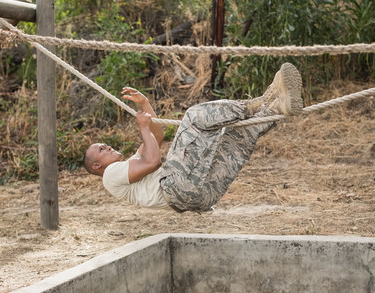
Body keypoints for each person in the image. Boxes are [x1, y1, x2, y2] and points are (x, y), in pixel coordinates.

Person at [83, 62, 303, 213]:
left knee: (233, 141)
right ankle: (260, 102)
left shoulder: (127, 167)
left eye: (104, 145)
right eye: (101, 150)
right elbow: (153, 161)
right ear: (96, 165)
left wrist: (144, 105)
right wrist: (142, 128)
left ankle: (276, 109)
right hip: (176, 188)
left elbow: (157, 137)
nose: (107, 147)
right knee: (195, 117)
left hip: (202, 197)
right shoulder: (110, 175)